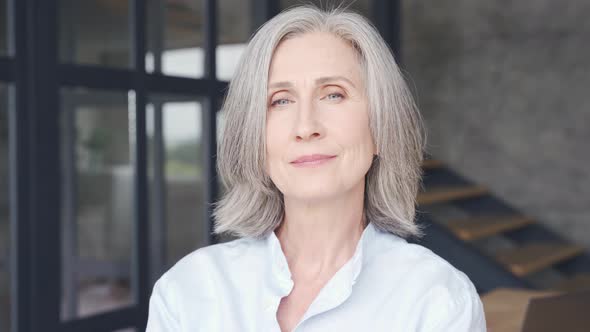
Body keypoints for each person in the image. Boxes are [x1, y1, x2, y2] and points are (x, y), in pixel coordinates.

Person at [146, 4, 487, 332]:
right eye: (280, 100)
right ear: (255, 137)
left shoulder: (439, 300)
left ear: (380, 126)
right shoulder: (187, 292)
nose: (306, 126)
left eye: (333, 95)